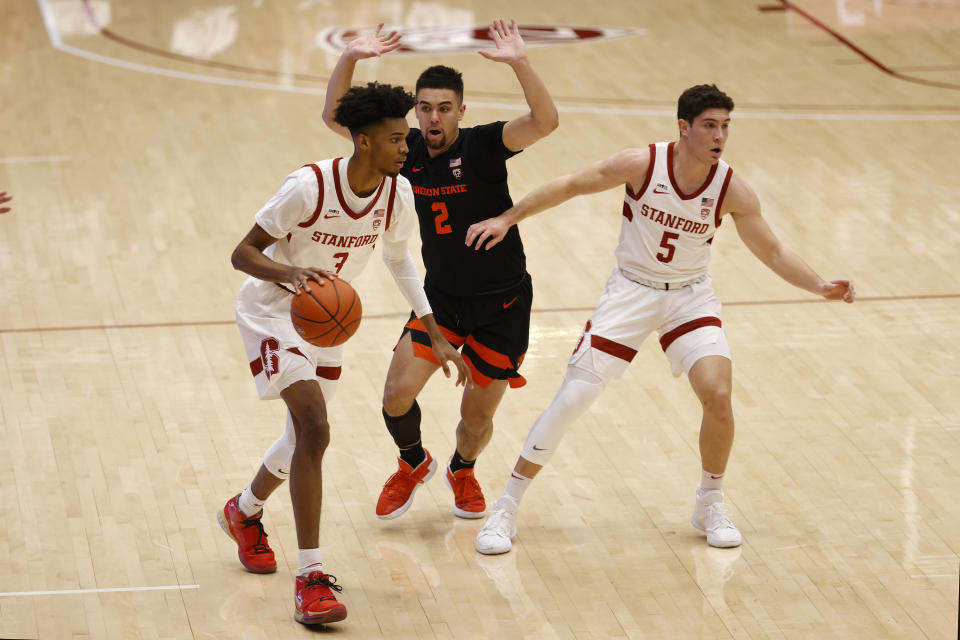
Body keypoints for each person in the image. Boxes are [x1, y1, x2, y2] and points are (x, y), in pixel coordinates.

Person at [466, 84, 856, 554]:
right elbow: (570, 185)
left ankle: (709, 501)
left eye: (725, 126)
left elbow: (771, 250)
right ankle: (507, 506)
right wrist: (508, 218)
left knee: (719, 396)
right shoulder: (642, 164)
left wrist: (818, 285)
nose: (719, 136)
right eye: (710, 125)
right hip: (632, 290)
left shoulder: (731, 187)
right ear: (684, 127)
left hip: (690, 297)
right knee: (573, 399)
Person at [217, 82, 468, 626]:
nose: (408, 148)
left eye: (407, 139)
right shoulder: (307, 187)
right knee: (315, 427)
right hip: (271, 311)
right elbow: (242, 253)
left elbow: (400, 262)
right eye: (396, 139)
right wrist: (289, 273)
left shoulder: (397, 195)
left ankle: (245, 511)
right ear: (362, 142)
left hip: (324, 326)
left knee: (299, 437)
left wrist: (434, 329)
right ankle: (311, 577)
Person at [321, 20, 559, 520]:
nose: (433, 117)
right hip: (441, 300)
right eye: (424, 107)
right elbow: (334, 118)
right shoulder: (399, 151)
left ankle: (462, 469)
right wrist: (349, 59)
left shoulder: (483, 144)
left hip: (504, 303)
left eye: (444, 108)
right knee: (395, 395)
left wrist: (520, 61)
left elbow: (545, 121)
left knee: (475, 420)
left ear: (460, 112)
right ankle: (413, 463)